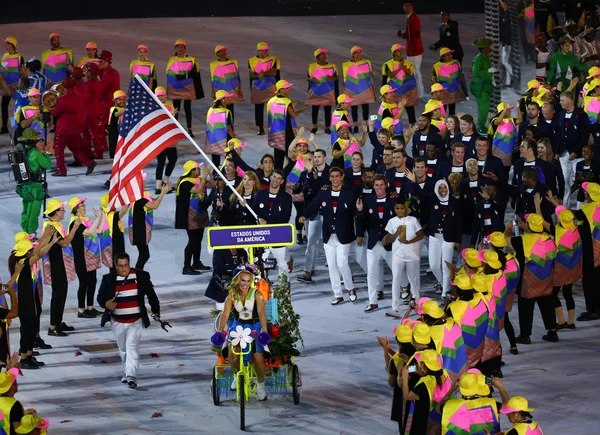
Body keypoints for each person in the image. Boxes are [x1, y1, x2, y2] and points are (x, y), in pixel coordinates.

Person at [97, 252, 161, 389]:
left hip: (135, 320)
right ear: (115, 266)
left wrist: (156, 310)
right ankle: (127, 372)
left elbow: (151, 294)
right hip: (117, 320)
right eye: (120, 266)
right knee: (123, 348)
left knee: (131, 347)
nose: (124, 269)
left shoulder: (141, 276)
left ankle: (131, 376)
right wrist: (106, 304)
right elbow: (100, 298)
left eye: (126, 265)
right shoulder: (108, 279)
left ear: (129, 264)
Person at [300, 167, 357, 304]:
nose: (335, 179)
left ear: (342, 177)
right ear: (330, 178)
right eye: (332, 176)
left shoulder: (349, 193)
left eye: (337, 176)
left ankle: (350, 288)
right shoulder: (324, 192)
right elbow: (314, 204)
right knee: (331, 265)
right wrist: (304, 215)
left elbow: (356, 212)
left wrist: (359, 211)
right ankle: (337, 294)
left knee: (342, 262)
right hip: (328, 234)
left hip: (344, 235)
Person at [504, 213, 559, 343]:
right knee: (547, 304)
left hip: (528, 281)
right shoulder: (550, 239)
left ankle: (525, 335)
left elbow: (505, 241)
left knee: (526, 308)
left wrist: (508, 228)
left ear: (529, 225)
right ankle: (552, 331)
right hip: (546, 279)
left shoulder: (522, 241)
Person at [217, 266, 269, 401]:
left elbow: (262, 312)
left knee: (258, 357)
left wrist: (264, 329)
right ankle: (237, 375)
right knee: (232, 352)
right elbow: (225, 314)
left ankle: (261, 384)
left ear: (251, 281)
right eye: (242, 280)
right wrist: (221, 329)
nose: (245, 284)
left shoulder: (257, 294)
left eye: (248, 281)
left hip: (255, 325)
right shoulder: (232, 296)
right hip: (238, 325)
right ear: (237, 281)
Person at [356, 175, 396, 312]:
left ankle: (405, 289)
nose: (379, 188)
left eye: (381, 185)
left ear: (386, 185)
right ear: (373, 186)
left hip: (389, 243)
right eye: (376, 185)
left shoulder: (393, 200)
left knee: (396, 271)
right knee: (371, 273)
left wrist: (393, 236)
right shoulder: (367, 201)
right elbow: (362, 220)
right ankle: (372, 301)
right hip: (373, 242)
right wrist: (360, 233)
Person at [42, 199, 79, 337]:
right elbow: (63, 243)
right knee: (58, 294)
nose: (64, 211)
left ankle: (58, 322)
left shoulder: (53, 224)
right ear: (56, 212)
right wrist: (74, 228)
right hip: (55, 264)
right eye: (62, 209)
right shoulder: (52, 227)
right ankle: (53, 326)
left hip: (58, 262)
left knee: (61, 293)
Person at [383, 199, 424, 315]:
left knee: (414, 280)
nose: (400, 211)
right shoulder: (392, 221)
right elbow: (389, 239)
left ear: (406, 209)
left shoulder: (413, 220)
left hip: (412, 255)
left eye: (402, 208)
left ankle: (416, 304)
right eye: (397, 208)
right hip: (397, 255)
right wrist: (396, 232)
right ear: (394, 209)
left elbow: (421, 235)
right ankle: (395, 308)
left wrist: (409, 241)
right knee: (396, 279)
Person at [50, 77, 96, 177]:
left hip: (63, 129)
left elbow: (55, 113)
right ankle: (89, 162)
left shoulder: (62, 100)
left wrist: (49, 108)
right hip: (75, 128)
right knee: (75, 148)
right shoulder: (78, 97)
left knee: (58, 149)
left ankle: (61, 170)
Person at [252, 169, 293, 278]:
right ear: (270, 177)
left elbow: (285, 218)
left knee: (282, 264)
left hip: (277, 235)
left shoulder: (287, 198)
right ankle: (260, 286)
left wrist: (268, 222)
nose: (275, 180)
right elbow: (254, 212)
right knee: (258, 262)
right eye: (274, 177)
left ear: (282, 182)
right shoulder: (260, 194)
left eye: (278, 178)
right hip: (261, 236)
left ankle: (284, 289)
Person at [68, 197, 104, 319]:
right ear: (75, 209)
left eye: (83, 205)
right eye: (81, 206)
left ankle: (90, 307)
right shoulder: (75, 222)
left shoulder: (85, 220)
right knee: (83, 283)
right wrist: (98, 218)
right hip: (81, 257)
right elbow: (89, 232)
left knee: (92, 282)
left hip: (91, 256)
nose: (84, 207)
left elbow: (98, 230)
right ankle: (81, 309)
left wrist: (102, 216)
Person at [401, 349, 451, 435]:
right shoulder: (444, 374)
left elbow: (407, 396)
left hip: (423, 419)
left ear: (424, 365)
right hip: (439, 416)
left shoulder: (425, 383)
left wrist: (405, 377)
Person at [298, 149, 330, 283]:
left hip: (329, 213)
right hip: (314, 213)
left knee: (330, 243)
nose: (316, 159)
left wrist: (314, 176)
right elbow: (310, 190)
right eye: (314, 157)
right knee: (311, 242)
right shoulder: (310, 173)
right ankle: (307, 272)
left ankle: (342, 273)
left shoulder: (331, 172)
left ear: (325, 158)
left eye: (318, 157)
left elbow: (324, 189)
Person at [378, 324, 416, 434]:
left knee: (405, 427)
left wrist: (385, 349)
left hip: (404, 397)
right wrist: (388, 349)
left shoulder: (398, 359)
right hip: (420, 396)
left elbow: (391, 381)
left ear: (397, 341)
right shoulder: (420, 354)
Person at [175, 161, 211, 275]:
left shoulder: (199, 179)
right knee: (193, 240)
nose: (199, 170)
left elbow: (213, 185)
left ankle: (196, 262)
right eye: (197, 169)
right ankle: (186, 266)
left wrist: (209, 174)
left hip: (199, 213)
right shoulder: (185, 183)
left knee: (198, 239)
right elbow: (198, 190)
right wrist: (204, 176)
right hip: (189, 215)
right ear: (192, 171)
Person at [14, 130, 52, 236]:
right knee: (33, 212)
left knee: (26, 210)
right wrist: (46, 154)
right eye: (38, 141)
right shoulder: (35, 153)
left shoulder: (23, 151)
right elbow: (47, 165)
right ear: (33, 141)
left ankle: (25, 232)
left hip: (24, 187)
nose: (40, 143)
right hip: (34, 187)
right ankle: (31, 234)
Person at [427, 179, 461, 298]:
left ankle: (445, 293)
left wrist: (458, 240)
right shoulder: (432, 201)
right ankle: (446, 285)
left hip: (449, 238)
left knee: (446, 266)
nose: (442, 190)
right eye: (440, 188)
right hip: (435, 237)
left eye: (444, 187)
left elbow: (458, 223)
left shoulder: (455, 202)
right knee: (434, 266)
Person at [557, 91, 590, 206]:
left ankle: (580, 208)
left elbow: (584, 136)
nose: (560, 102)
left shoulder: (581, 115)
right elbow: (560, 134)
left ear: (569, 101)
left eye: (562, 100)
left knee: (580, 182)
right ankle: (565, 209)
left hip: (577, 156)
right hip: (564, 154)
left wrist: (576, 151)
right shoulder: (561, 114)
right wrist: (558, 151)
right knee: (565, 181)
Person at [166, 40, 204, 137]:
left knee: (187, 108)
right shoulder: (172, 59)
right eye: (178, 47)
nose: (180, 49)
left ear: (185, 48)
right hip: (176, 88)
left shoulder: (191, 59)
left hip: (187, 87)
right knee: (176, 108)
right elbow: (169, 73)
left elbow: (195, 73)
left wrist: (183, 77)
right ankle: (175, 129)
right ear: (176, 48)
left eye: (182, 47)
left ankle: (189, 129)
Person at [129, 183, 171, 270]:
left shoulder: (136, 197)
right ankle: (138, 276)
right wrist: (163, 193)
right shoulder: (139, 199)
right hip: (139, 230)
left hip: (137, 229)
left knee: (144, 255)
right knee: (144, 255)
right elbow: (154, 205)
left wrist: (163, 192)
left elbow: (153, 201)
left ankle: (138, 276)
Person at [267, 80, 306, 169]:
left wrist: (293, 105)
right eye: (287, 88)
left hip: (275, 134)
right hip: (287, 133)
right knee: (291, 157)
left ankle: (277, 176)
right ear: (281, 90)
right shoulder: (287, 101)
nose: (289, 90)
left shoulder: (271, 101)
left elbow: (279, 112)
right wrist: (300, 110)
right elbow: (293, 115)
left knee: (278, 158)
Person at [248, 42, 280, 136]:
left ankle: (273, 126)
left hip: (271, 85)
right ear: (258, 51)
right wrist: (259, 74)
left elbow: (275, 72)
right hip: (258, 85)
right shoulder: (251, 60)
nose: (265, 52)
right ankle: (260, 127)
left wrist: (264, 73)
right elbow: (251, 74)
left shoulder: (273, 59)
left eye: (266, 50)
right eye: (262, 50)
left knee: (272, 107)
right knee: (258, 107)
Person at [342, 46, 376, 132]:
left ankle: (365, 124)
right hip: (352, 90)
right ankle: (355, 125)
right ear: (352, 54)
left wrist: (373, 89)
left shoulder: (366, 63)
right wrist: (344, 93)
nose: (358, 54)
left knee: (365, 107)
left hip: (365, 89)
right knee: (354, 107)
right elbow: (345, 80)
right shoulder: (346, 65)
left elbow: (370, 76)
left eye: (359, 52)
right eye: (356, 53)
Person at [382, 45, 418, 124]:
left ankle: (412, 124)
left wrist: (403, 67)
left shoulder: (407, 63)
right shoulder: (388, 64)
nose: (401, 52)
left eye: (401, 51)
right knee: (394, 108)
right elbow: (389, 75)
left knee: (410, 107)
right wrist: (400, 68)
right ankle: (391, 124)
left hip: (406, 90)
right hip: (394, 91)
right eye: (399, 51)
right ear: (394, 53)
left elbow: (410, 73)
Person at [307, 48, 338, 134]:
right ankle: (315, 126)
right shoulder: (312, 67)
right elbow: (308, 78)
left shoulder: (332, 66)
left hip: (328, 91)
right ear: (317, 57)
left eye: (324, 54)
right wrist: (312, 80)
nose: (324, 56)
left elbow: (336, 78)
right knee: (315, 109)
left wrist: (330, 78)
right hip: (316, 91)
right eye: (322, 55)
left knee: (327, 110)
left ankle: (327, 127)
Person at [398, 0, 425, 98]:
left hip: (415, 49)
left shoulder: (414, 18)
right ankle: (415, 91)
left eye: (408, 6)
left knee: (416, 70)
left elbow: (415, 33)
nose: (406, 8)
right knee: (411, 70)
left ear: (412, 6)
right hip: (411, 49)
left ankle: (420, 93)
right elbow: (410, 33)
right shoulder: (409, 18)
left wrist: (407, 36)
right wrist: (403, 35)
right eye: (404, 6)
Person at [154, 86, 178, 193]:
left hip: (169, 136)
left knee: (173, 159)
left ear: (166, 96)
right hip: (159, 137)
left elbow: (172, 121)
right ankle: (158, 186)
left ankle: (165, 182)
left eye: (162, 95)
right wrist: (171, 114)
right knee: (161, 161)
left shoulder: (169, 105)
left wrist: (173, 114)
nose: (160, 97)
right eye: (158, 96)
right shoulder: (153, 106)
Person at [431, 47, 468, 116]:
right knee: (442, 111)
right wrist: (435, 93)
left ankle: (451, 124)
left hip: (453, 92)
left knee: (452, 111)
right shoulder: (436, 66)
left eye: (450, 54)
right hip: (443, 93)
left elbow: (460, 76)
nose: (450, 56)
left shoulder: (456, 63)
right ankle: (443, 125)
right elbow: (434, 81)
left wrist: (465, 89)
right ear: (443, 57)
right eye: (448, 55)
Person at [471, 38, 496, 133]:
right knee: (483, 108)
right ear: (483, 48)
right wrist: (489, 71)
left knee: (485, 107)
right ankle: (480, 126)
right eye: (488, 47)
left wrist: (492, 76)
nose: (490, 48)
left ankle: (482, 124)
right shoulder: (478, 59)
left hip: (486, 86)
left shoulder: (486, 57)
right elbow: (476, 72)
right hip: (480, 87)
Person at [1, 36, 24, 134]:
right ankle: (4, 127)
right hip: (7, 86)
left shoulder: (19, 57)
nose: (5, 45)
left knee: (20, 105)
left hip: (16, 87)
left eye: (7, 43)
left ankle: (21, 125)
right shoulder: (5, 55)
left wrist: (20, 85)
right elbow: (2, 70)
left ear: (12, 45)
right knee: (4, 106)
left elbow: (22, 72)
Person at [205, 90, 235, 167]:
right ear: (222, 99)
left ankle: (215, 175)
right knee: (230, 158)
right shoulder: (226, 112)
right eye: (228, 98)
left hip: (213, 139)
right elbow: (229, 128)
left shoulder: (210, 110)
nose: (229, 99)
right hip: (224, 139)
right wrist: (234, 138)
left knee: (215, 160)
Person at [99, 194, 127, 269]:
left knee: (112, 268)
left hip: (108, 246)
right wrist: (125, 198)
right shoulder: (113, 216)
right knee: (117, 268)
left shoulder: (104, 214)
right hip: (116, 245)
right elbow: (124, 210)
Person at [0, 368, 27, 433]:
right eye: (16, 382)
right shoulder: (15, 406)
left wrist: (23, 414)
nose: (17, 384)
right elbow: (19, 431)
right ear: (13, 386)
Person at [106, 89, 126, 161]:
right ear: (115, 100)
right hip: (114, 132)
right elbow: (116, 114)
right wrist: (126, 110)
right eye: (120, 99)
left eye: (123, 99)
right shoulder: (114, 108)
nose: (122, 101)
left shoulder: (121, 108)